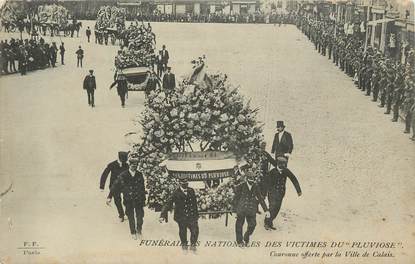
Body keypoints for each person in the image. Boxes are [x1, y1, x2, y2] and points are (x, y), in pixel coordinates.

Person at [107, 157, 146, 240]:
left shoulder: (139, 174)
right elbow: (114, 186)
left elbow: (142, 188)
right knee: (131, 216)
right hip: (129, 199)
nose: (134, 167)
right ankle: (133, 232)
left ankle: (139, 230)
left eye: (136, 165)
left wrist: (144, 199)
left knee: (140, 216)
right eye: (133, 165)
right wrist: (109, 196)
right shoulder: (123, 175)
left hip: (138, 199)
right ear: (130, 165)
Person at [159, 179, 199, 252]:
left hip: (191, 216)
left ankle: (193, 246)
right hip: (181, 216)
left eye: (186, 183)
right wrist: (162, 215)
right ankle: (184, 247)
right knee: (183, 232)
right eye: (183, 183)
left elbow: (194, 204)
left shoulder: (191, 190)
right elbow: (168, 203)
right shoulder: (176, 193)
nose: (185, 185)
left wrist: (196, 215)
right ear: (180, 183)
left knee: (195, 230)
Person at [232, 171, 270, 247]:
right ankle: (239, 241)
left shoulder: (256, 187)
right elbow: (236, 198)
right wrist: (234, 209)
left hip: (251, 209)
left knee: (253, 225)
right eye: (250, 179)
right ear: (246, 179)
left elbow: (260, 199)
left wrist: (266, 210)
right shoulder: (241, 186)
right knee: (239, 225)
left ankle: (246, 236)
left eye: (253, 179)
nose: (252, 181)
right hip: (242, 209)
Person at [263, 157, 302, 230]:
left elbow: (293, 179)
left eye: (284, 164)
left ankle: (270, 221)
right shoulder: (272, 172)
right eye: (282, 165)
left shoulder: (286, 171)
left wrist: (298, 190)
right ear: (278, 164)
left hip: (280, 193)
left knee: (277, 209)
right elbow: (266, 183)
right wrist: (264, 193)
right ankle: (267, 222)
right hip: (272, 193)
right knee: (272, 207)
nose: (283, 166)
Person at [100, 151, 129, 222]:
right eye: (124, 159)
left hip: (124, 185)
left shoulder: (127, 165)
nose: (125, 161)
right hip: (114, 186)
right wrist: (102, 186)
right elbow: (105, 174)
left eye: (126, 159)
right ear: (120, 158)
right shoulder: (112, 165)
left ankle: (128, 213)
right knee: (117, 200)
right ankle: (121, 215)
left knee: (127, 199)